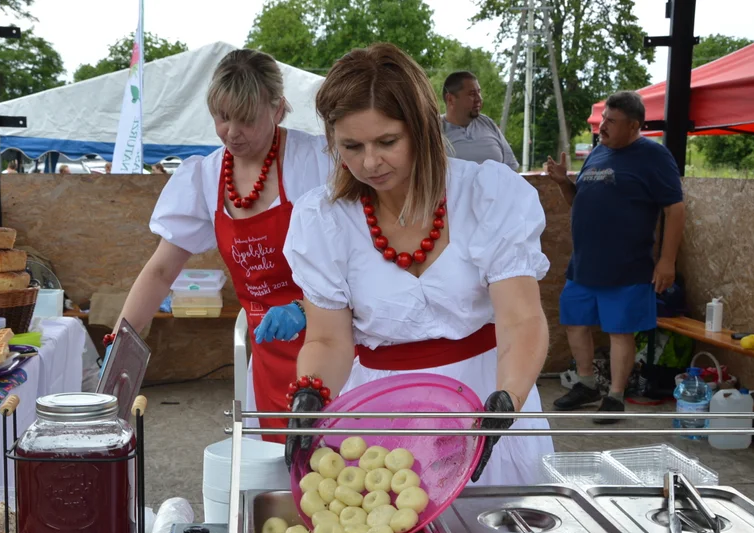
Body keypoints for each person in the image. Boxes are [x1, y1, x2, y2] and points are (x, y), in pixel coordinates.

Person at [282, 44, 552, 485]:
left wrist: (505, 402)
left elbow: (521, 320)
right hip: (381, 416)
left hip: (484, 398)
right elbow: (329, 340)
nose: (369, 162)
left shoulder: (486, 196)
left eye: (387, 141)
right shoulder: (324, 220)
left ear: (422, 129)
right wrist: (310, 393)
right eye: (351, 146)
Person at [112, 48, 332, 441]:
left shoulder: (315, 161)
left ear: (277, 109)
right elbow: (161, 270)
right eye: (222, 117)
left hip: (331, 342)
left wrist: (303, 307)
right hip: (267, 352)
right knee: (275, 467)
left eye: (246, 119)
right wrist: (121, 341)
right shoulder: (205, 176)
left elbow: (353, 256)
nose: (232, 132)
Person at [543, 91, 684, 421]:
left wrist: (667, 261)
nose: (602, 126)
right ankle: (587, 383)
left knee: (620, 331)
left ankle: (616, 396)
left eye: (611, 121)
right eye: (603, 118)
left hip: (627, 265)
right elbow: (579, 204)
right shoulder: (598, 152)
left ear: (634, 125)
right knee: (575, 324)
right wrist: (564, 183)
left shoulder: (654, 156)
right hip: (585, 264)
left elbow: (675, 209)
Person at [441, 71, 518, 170]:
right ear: (450, 99)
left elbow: (511, 168)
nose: (479, 99)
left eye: (479, 92)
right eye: (472, 94)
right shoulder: (435, 130)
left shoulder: (487, 123)